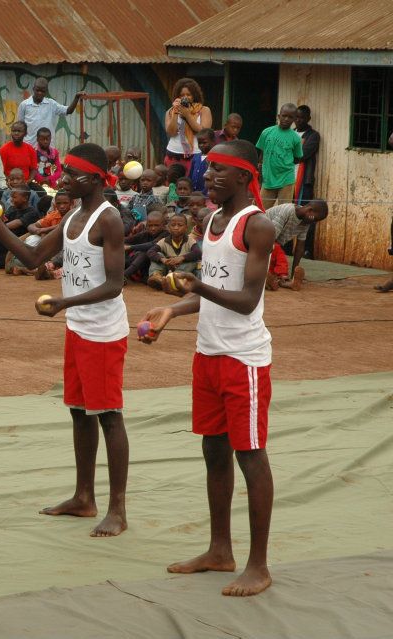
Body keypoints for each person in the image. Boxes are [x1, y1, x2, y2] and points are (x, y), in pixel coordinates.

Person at [0, 143, 130, 537]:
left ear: (93, 178)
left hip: (103, 332)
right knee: (77, 409)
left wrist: (63, 302)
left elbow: (114, 284)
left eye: (71, 173)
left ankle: (118, 509)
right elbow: (32, 257)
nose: (64, 178)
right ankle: (84, 497)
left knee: (108, 416)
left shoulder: (109, 220)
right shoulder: (74, 214)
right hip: (77, 326)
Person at [139, 139, 275, 598]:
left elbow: (247, 299)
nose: (209, 175)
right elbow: (213, 287)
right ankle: (220, 550)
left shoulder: (255, 225)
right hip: (208, 354)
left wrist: (198, 286)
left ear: (243, 176)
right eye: (208, 167)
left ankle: (258, 565)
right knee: (213, 452)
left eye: (220, 169)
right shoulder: (212, 220)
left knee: (250, 455)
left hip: (243, 360)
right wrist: (173, 312)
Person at [264, 200, 328, 291]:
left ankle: (284, 280)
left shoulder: (306, 222)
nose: (314, 222)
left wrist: (294, 272)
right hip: (261, 239)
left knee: (280, 260)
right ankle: (266, 276)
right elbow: (270, 239)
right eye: (315, 219)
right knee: (278, 253)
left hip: (272, 245)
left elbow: (300, 247)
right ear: (309, 210)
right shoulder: (287, 211)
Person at [256, 104, 304, 209]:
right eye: (284, 116)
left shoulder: (295, 138)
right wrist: (261, 175)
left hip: (286, 180)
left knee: (283, 212)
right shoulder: (267, 132)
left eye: (290, 117)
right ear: (279, 116)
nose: (286, 119)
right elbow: (261, 154)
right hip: (268, 179)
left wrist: (283, 164)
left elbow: (297, 158)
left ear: (294, 119)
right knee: (261, 210)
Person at [16, 78, 85, 144]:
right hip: (29, 144)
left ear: (46, 92)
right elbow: (20, 126)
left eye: (42, 91)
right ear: (33, 89)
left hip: (47, 146)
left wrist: (76, 97)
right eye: (37, 90)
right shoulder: (24, 105)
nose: (39, 93)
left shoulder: (51, 104)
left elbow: (68, 111)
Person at [164, 78, 212, 173]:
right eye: (182, 95)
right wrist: (176, 113)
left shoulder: (204, 110)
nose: (185, 97)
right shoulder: (170, 111)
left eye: (188, 94)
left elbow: (204, 132)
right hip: (173, 154)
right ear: (177, 96)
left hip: (195, 155)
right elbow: (171, 132)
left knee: (192, 185)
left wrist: (187, 115)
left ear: (194, 95)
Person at [293, 105, 321, 257]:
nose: (298, 120)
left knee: (307, 215)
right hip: (288, 180)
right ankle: (285, 247)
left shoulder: (313, 136)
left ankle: (307, 250)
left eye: (301, 118)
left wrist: (290, 152)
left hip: (304, 182)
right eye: (296, 117)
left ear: (308, 119)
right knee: (289, 213)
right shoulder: (290, 134)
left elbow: (302, 155)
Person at [147, 214, 199, 291]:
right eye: (173, 225)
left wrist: (182, 258)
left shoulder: (190, 240)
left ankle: (174, 278)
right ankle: (157, 276)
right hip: (169, 266)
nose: (176, 228)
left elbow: (198, 252)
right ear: (169, 228)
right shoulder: (164, 241)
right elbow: (150, 252)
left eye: (180, 225)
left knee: (193, 261)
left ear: (186, 228)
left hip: (183, 269)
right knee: (158, 255)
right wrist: (163, 260)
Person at [189, 128, 213, 193]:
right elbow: (191, 174)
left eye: (204, 143)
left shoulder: (213, 158)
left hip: (206, 194)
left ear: (213, 141)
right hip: (194, 193)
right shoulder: (196, 156)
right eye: (199, 143)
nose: (201, 145)